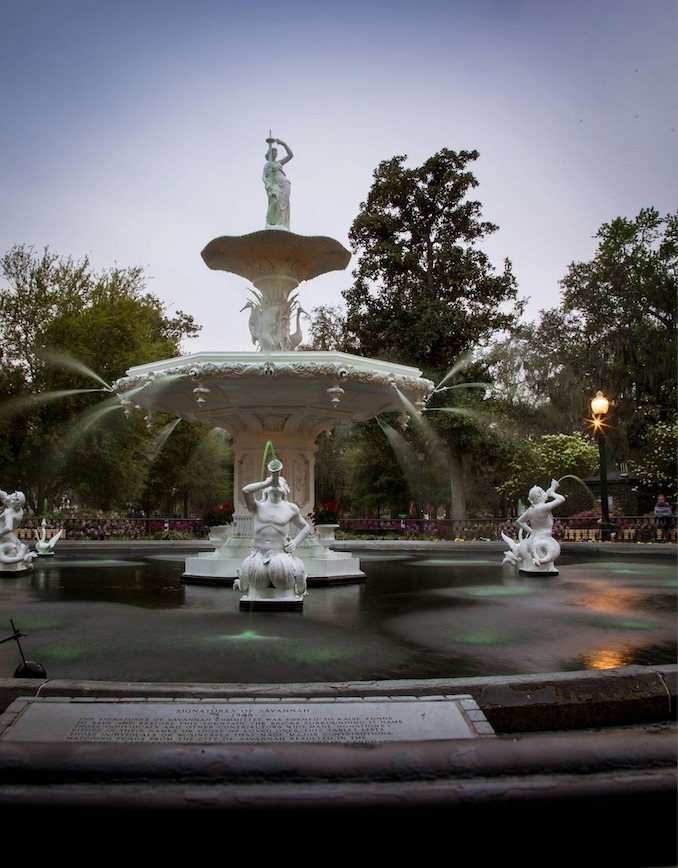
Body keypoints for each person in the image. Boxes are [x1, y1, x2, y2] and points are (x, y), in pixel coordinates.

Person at [235, 460, 311, 596]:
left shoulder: (291, 508)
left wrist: (295, 542)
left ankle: (297, 586)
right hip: (258, 555)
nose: (276, 483)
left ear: (286, 489)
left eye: (280, 482)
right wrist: (269, 481)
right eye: (272, 482)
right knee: (255, 583)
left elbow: (306, 527)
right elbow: (245, 490)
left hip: (280, 556)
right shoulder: (257, 506)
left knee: (283, 583)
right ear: (265, 488)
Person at [503, 478, 565, 571]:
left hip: (533, 538)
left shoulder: (531, 510)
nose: (545, 493)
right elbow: (561, 499)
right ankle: (543, 565)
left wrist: (532, 531)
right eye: (544, 492)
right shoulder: (543, 508)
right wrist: (552, 492)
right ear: (539, 496)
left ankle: (534, 564)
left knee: (536, 556)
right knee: (551, 552)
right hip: (544, 537)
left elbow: (519, 522)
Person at [263, 136, 293, 229]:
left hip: (285, 184)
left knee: (283, 204)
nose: (275, 155)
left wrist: (283, 144)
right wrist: (267, 183)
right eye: (273, 153)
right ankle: (271, 222)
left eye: (276, 153)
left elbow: (290, 155)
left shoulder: (279, 163)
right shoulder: (267, 165)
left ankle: (281, 223)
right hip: (274, 185)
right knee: (275, 201)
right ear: (270, 155)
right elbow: (263, 177)